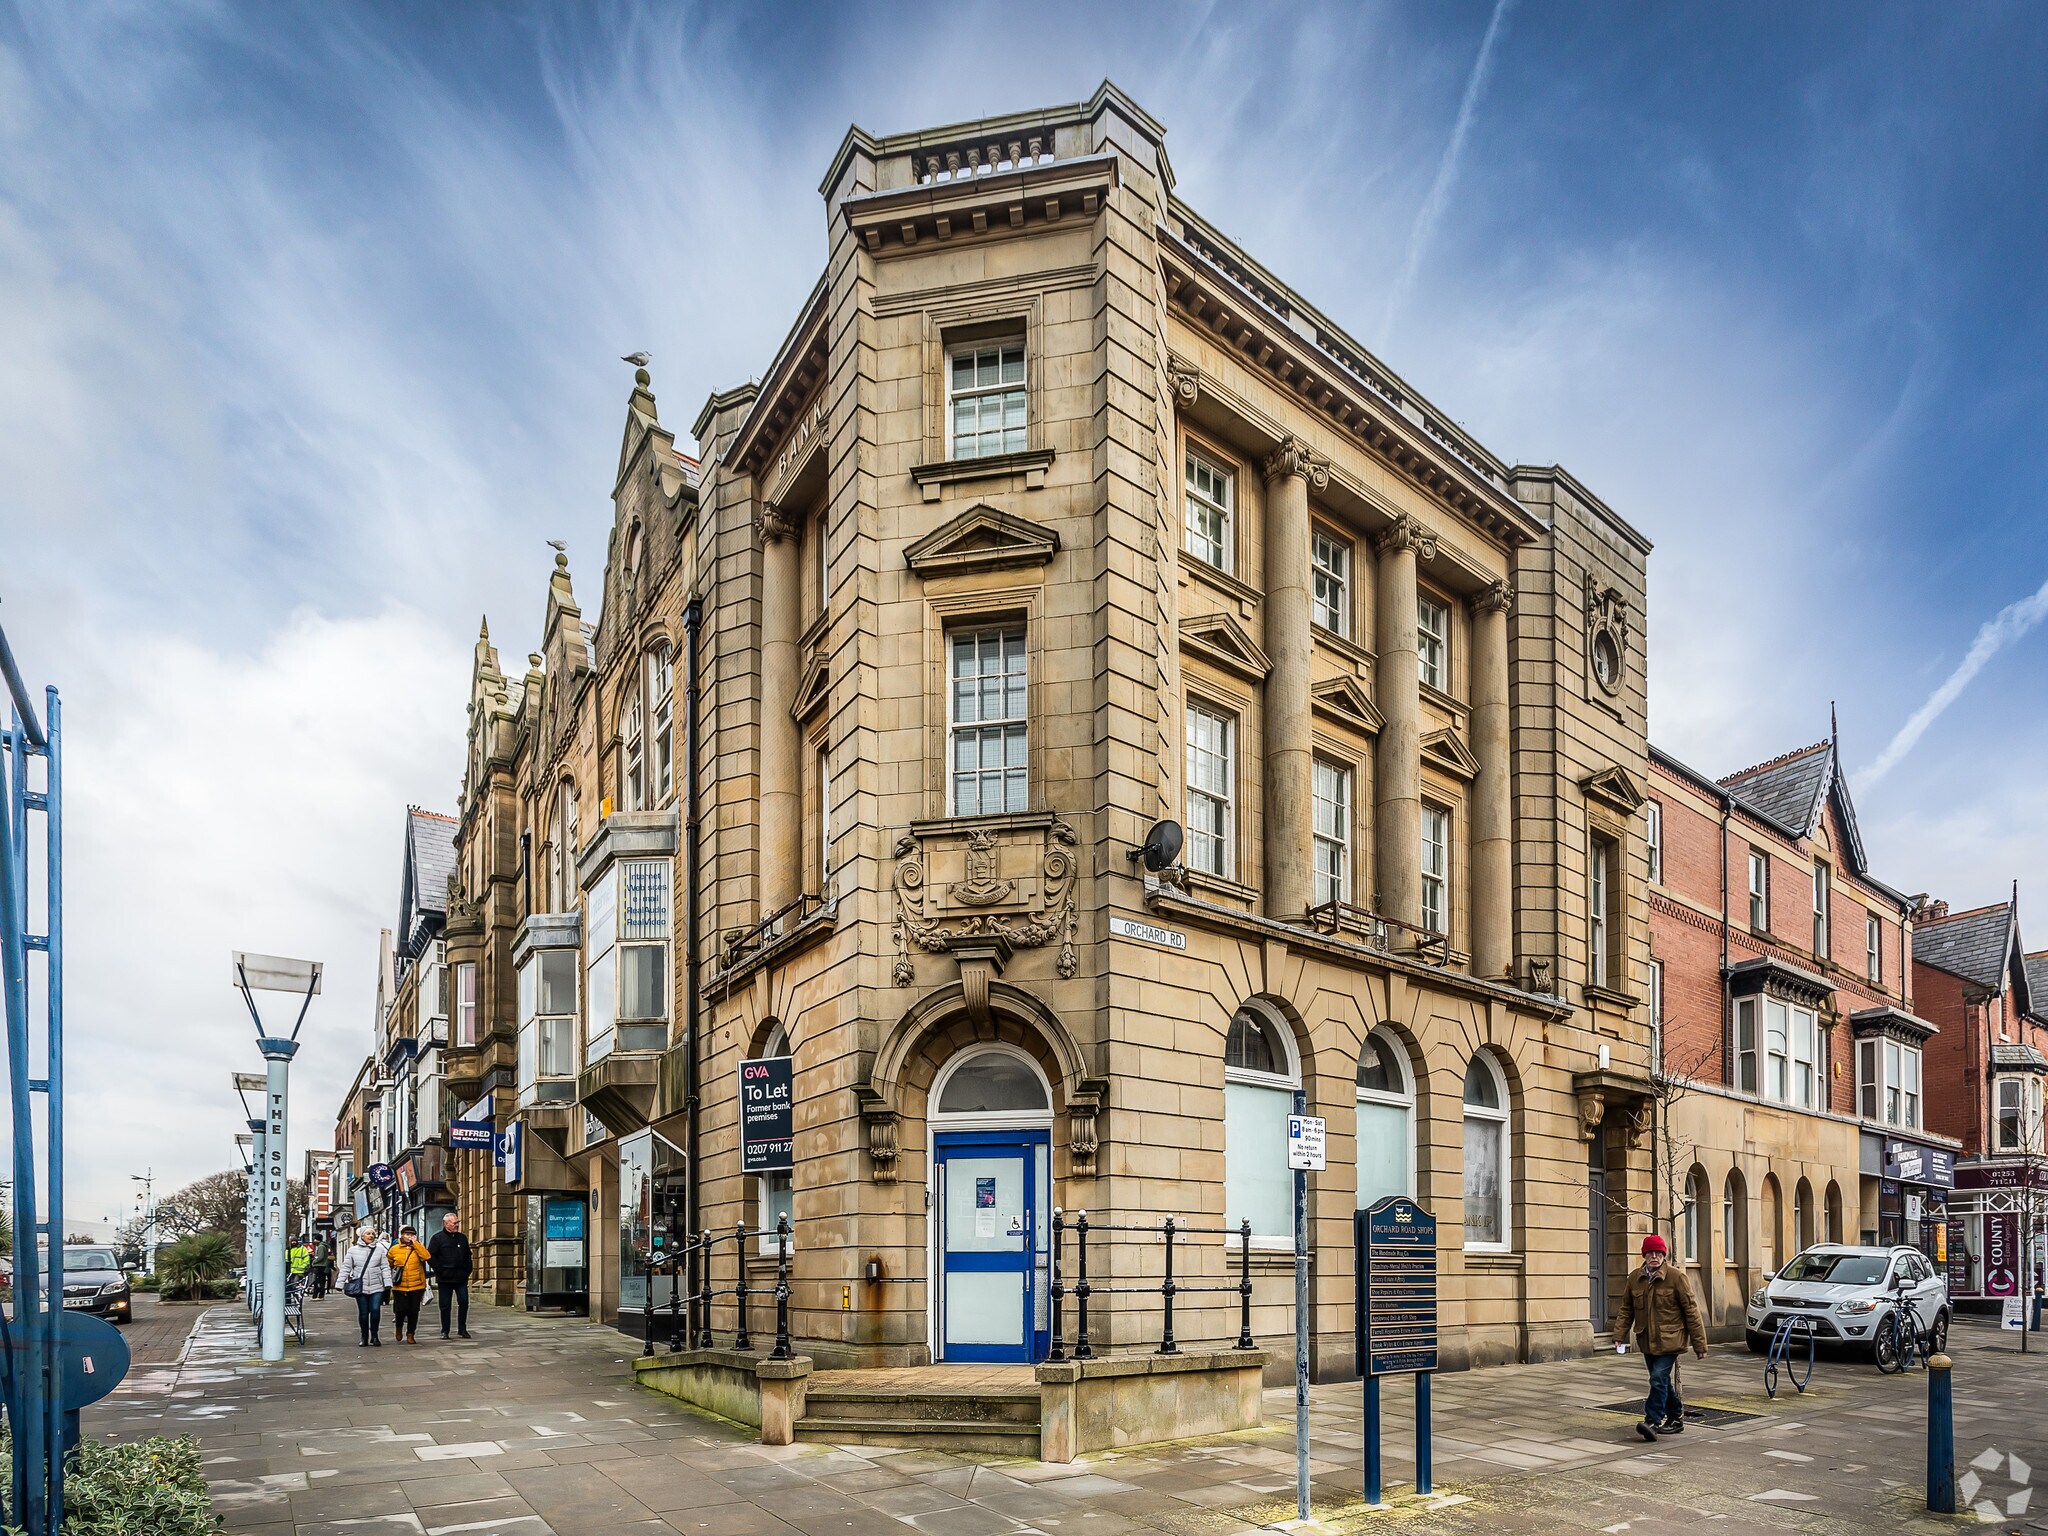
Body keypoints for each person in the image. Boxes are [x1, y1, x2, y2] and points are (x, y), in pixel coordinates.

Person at [1613, 1232, 1707, 1442]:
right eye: (1650, 1253)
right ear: (1644, 1255)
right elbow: (1626, 1309)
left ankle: (1652, 1421)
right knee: (1661, 1381)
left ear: (1664, 1255)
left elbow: (1691, 1311)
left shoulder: (1676, 1278)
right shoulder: (1635, 1278)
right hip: (1647, 1340)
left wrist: (1700, 1344)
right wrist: (1619, 1335)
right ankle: (1676, 1419)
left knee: (1657, 1378)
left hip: (1671, 1340)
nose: (1654, 1256)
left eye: (1658, 1253)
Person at [337, 1226, 393, 1347]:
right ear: (362, 1236)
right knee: (363, 1312)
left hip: (376, 1285)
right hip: (360, 1286)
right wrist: (340, 1283)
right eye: (368, 1233)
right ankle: (364, 1336)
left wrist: (387, 1282)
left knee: (375, 1310)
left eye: (373, 1233)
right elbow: (346, 1267)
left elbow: (385, 1267)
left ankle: (374, 1335)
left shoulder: (379, 1250)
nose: (371, 1236)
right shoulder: (352, 1250)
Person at [427, 1212, 474, 1340]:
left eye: (457, 1222)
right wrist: (439, 1270)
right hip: (445, 1278)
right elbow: (430, 1256)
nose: (457, 1225)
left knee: (464, 1302)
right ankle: (445, 1330)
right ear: (446, 1223)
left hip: (461, 1278)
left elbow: (468, 1256)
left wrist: (468, 1270)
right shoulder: (437, 1238)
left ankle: (462, 1329)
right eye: (454, 1223)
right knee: (445, 1305)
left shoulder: (462, 1238)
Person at [387, 1226, 433, 1344]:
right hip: (399, 1285)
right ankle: (399, 1328)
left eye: (411, 1235)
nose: (409, 1237)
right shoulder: (394, 1249)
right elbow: (389, 1263)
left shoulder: (418, 1248)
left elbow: (426, 1256)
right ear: (401, 1235)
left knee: (414, 1310)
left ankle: (410, 1333)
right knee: (400, 1310)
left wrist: (416, 1244)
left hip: (416, 1285)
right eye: (406, 1234)